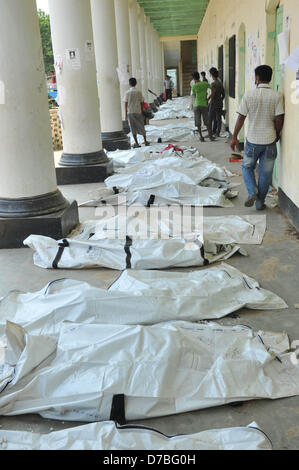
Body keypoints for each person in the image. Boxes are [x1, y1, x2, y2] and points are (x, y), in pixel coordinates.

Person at [231, 65, 284, 210]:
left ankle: (252, 191)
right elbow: (279, 119)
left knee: (247, 167)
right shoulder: (277, 95)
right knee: (265, 174)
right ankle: (260, 203)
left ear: (257, 78)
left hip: (253, 140)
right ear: (270, 78)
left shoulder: (249, 95)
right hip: (270, 140)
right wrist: (277, 134)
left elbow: (241, 117)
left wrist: (234, 136)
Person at [124, 77, 150, 148]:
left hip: (131, 112)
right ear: (136, 83)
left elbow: (125, 104)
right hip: (138, 111)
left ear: (129, 84)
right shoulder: (139, 92)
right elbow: (142, 102)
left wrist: (125, 115)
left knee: (133, 127)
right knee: (141, 125)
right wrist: (142, 110)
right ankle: (145, 141)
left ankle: (137, 143)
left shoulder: (127, 93)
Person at [192, 71, 213, 142]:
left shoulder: (194, 86)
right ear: (199, 76)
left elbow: (194, 95)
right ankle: (210, 136)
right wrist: (208, 98)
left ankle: (201, 137)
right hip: (204, 104)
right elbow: (214, 90)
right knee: (207, 121)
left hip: (197, 105)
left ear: (194, 78)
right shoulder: (205, 83)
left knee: (198, 122)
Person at [208, 67, 225, 137]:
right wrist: (220, 100)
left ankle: (210, 133)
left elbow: (213, 94)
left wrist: (210, 100)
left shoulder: (213, 84)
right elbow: (223, 94)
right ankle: (217, 133)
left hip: (214, 102)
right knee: (219, 118)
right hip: (220, 102)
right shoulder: (220, 83)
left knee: (210, 118)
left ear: (212, 75)